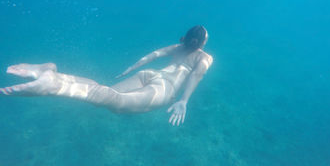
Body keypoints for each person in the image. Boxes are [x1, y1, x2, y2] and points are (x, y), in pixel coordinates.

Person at [0, 25, 213, 126]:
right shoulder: (204, 58)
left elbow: (152, 55)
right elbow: (197, 76)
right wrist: (183, 101)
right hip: (164, 89)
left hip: (149, 75)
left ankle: (54, 74)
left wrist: (130, 69)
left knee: (105, 92)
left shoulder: (178, 46)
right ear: (202, 43)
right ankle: (53, 85)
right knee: (116, 103)